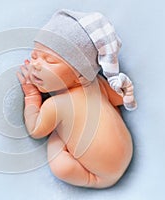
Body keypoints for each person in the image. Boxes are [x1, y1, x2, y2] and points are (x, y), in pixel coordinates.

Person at [16, 9, 137, 188]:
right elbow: (118, 100)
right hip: (128, 151)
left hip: (100, 175)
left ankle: (91, 180)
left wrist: (32, 96)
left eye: (49, 60)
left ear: (81, 75)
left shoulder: (55, 105)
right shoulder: (98, 84)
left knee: (61, 166)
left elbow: (36, 129)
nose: (36, 65)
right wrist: (125, 91)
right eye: (34, 56)